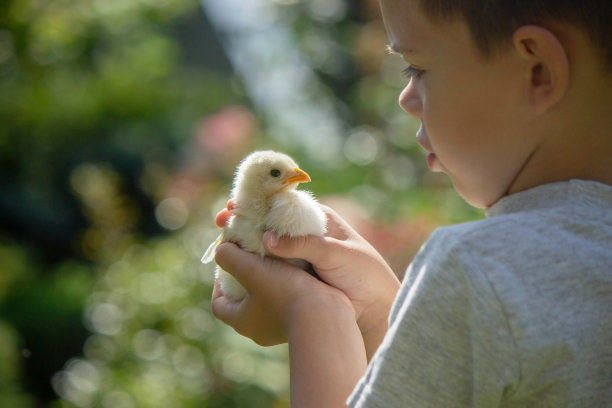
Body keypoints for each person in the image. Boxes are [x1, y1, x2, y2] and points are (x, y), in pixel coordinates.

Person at [210, 0, 612, 406]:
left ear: (538, 70)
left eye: (416, 69)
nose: (405, 98)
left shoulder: (480, 272)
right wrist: (379, 309)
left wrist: (312, 312)